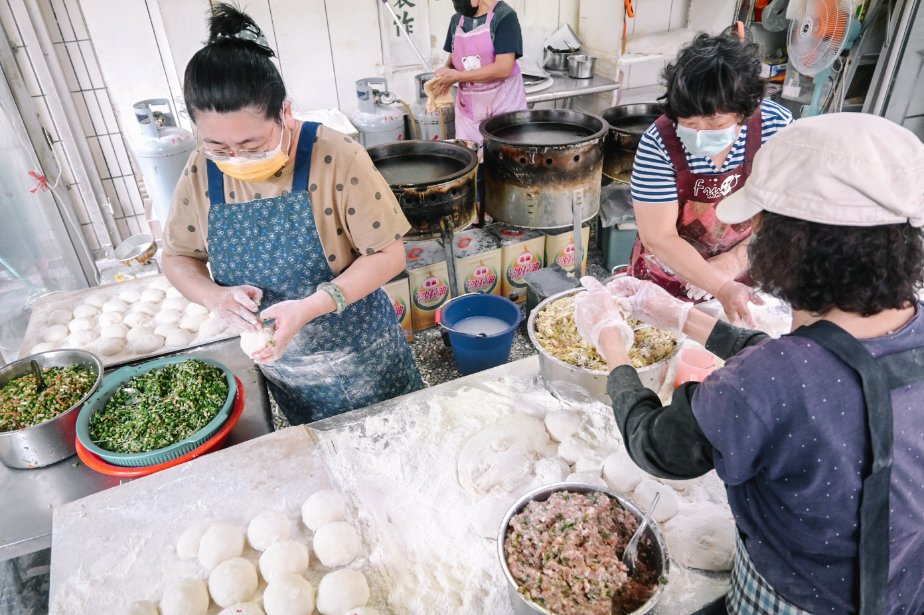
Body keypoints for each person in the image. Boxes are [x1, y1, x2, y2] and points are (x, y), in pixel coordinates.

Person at [575, 113, 924, 614]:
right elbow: (822, 364)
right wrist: (680, 315)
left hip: (794, 598)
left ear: (795, 243)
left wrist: (612, 344)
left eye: (760, 226)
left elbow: (657, 446)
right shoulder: (883, 333)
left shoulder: (770, 382)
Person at [162, 4, 423, 425]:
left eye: (251, 145)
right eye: (218, 147)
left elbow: (389, 256)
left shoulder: (336, 155)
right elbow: (177, 257)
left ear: (285, 111)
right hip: (284, 370)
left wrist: (308, 308)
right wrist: (216, 297)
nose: (235, 159)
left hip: (362, 356)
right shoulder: (200, 168)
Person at [629, 33, 793, 326]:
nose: (701, 133)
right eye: (689, 123)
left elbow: (784, 213)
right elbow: (659, 235)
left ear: (745, 111)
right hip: (668, 270)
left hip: (747, 266)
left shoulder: (776, 128)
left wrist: (736, 260)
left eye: (715, 122)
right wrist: (718, 285)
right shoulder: (659, 142)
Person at [430, 0, 528, 145]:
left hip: (504, 104)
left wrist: (458, 76)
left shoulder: (504, 17)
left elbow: (504, 68)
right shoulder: (457, 20)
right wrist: (446, 71)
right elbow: (454, 57)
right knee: (470, 158)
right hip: (470, 109)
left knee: (505, 157)